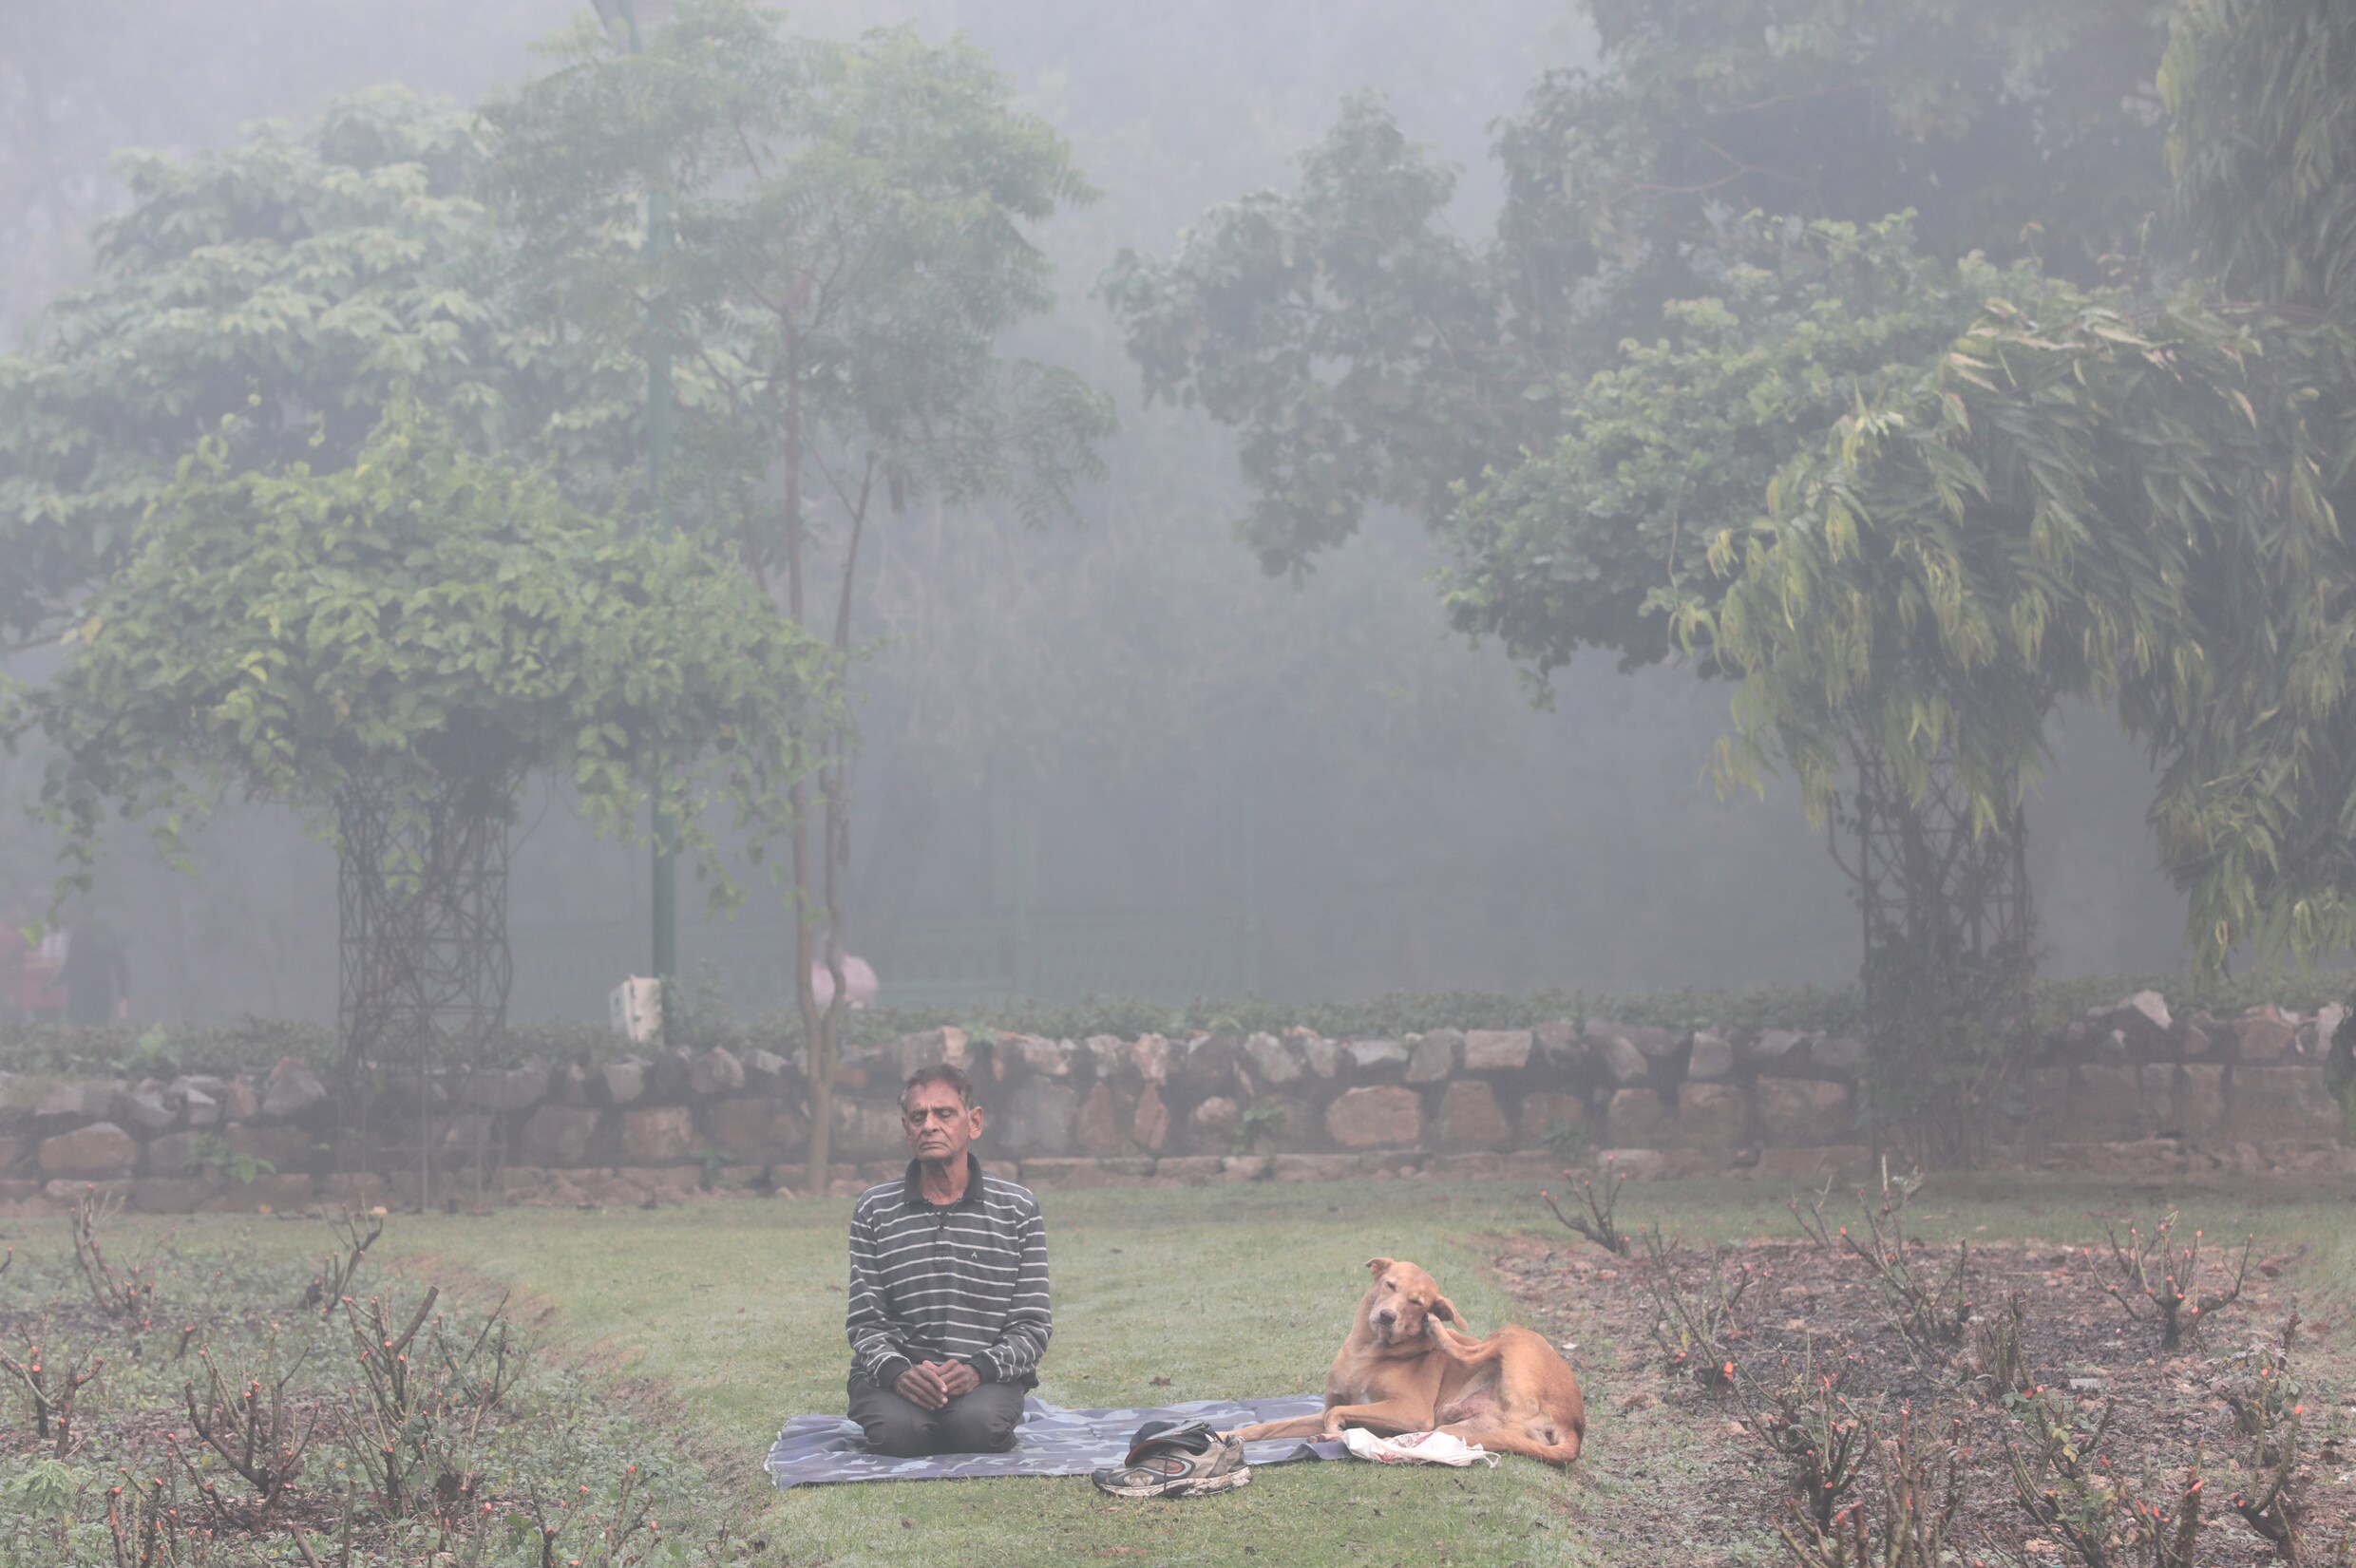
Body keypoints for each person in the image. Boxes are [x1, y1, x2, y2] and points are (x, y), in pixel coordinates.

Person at [844, 1063, 1050, 1456]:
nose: (930, 1125)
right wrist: (899, 1373)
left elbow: (1032, 1324)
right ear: (907, 1129)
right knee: (899, 1436)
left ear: (974, 1122)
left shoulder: (1017, 1208)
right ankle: (912, 1415)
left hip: (986, 1377)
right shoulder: (874, 1209)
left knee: (977, 1429)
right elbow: (866, 1321)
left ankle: (971, 1414)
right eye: (918, 1116)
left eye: (944, 1113)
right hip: (895, 1378)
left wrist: (977, 1370)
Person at [58, 914, 130, 1026]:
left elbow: (69, 965)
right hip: (100, 993)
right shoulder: (105, 934)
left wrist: (55, 982)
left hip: (80, 993)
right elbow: (120, 965)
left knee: (80, 1028)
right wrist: (123, 991)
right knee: (98, 1027)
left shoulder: (79, 934)